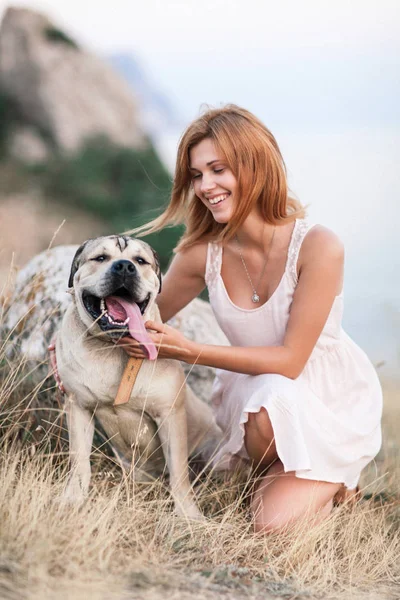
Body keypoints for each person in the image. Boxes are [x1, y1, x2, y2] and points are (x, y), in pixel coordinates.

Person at [120, 104, 382, 533]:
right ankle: (278, 476)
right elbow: (143, 316)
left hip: (328, 401)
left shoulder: (319, 246)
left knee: (269, 529)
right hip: (257, 403)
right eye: (197, 175)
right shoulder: (200, 253)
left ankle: (337, 483)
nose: (206, 186)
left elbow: (292, 361)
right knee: (267, 404)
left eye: (218, 169)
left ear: (255, 166)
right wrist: (83, 338)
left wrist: (189, 351)